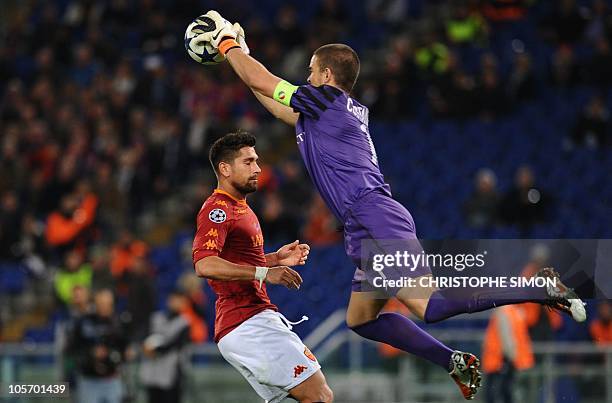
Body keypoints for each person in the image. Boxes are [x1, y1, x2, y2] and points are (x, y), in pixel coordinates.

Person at [194, 12, 587, 399]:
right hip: (364, 222)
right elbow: (269, 98)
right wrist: (241, 53)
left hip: (375, 216)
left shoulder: (326, 101)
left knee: (430, 307)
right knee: (362, 319)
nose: (307, 78)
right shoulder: (325, 113)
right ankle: (454, 361)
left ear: (327, 77)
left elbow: (264, 80)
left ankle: (537, 286)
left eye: (312, 71)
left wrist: (227, 44)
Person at [192, 132, 333, 403]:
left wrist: (274, 260)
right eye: (249, 162)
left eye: (256, 161)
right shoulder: (217, 209)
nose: (258, 168)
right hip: (246, 320)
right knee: (319, 395)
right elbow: (205, 264)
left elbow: (235, 261)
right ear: (225, 168)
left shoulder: (241, 208)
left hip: (246, 321)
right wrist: (264, 273)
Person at [68, 288, 128, 403]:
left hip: (112, 379)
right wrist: (91, 352)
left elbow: (125, 347)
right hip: (89, 379)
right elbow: (73, 348)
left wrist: (117, 353)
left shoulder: (119, 323)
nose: (105, 307)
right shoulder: (84, 322)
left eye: (108, 304)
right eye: (102, 303)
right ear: (96, 303)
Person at [139, 290, 191, 403]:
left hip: (171, 373)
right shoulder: (156, 318)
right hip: (153, 371)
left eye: (179, 301)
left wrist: (154, 349)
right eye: (174, 300)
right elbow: (144, 335)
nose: (176, 303)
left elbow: (175, 344)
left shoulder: (184, 323)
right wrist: (145, 346)